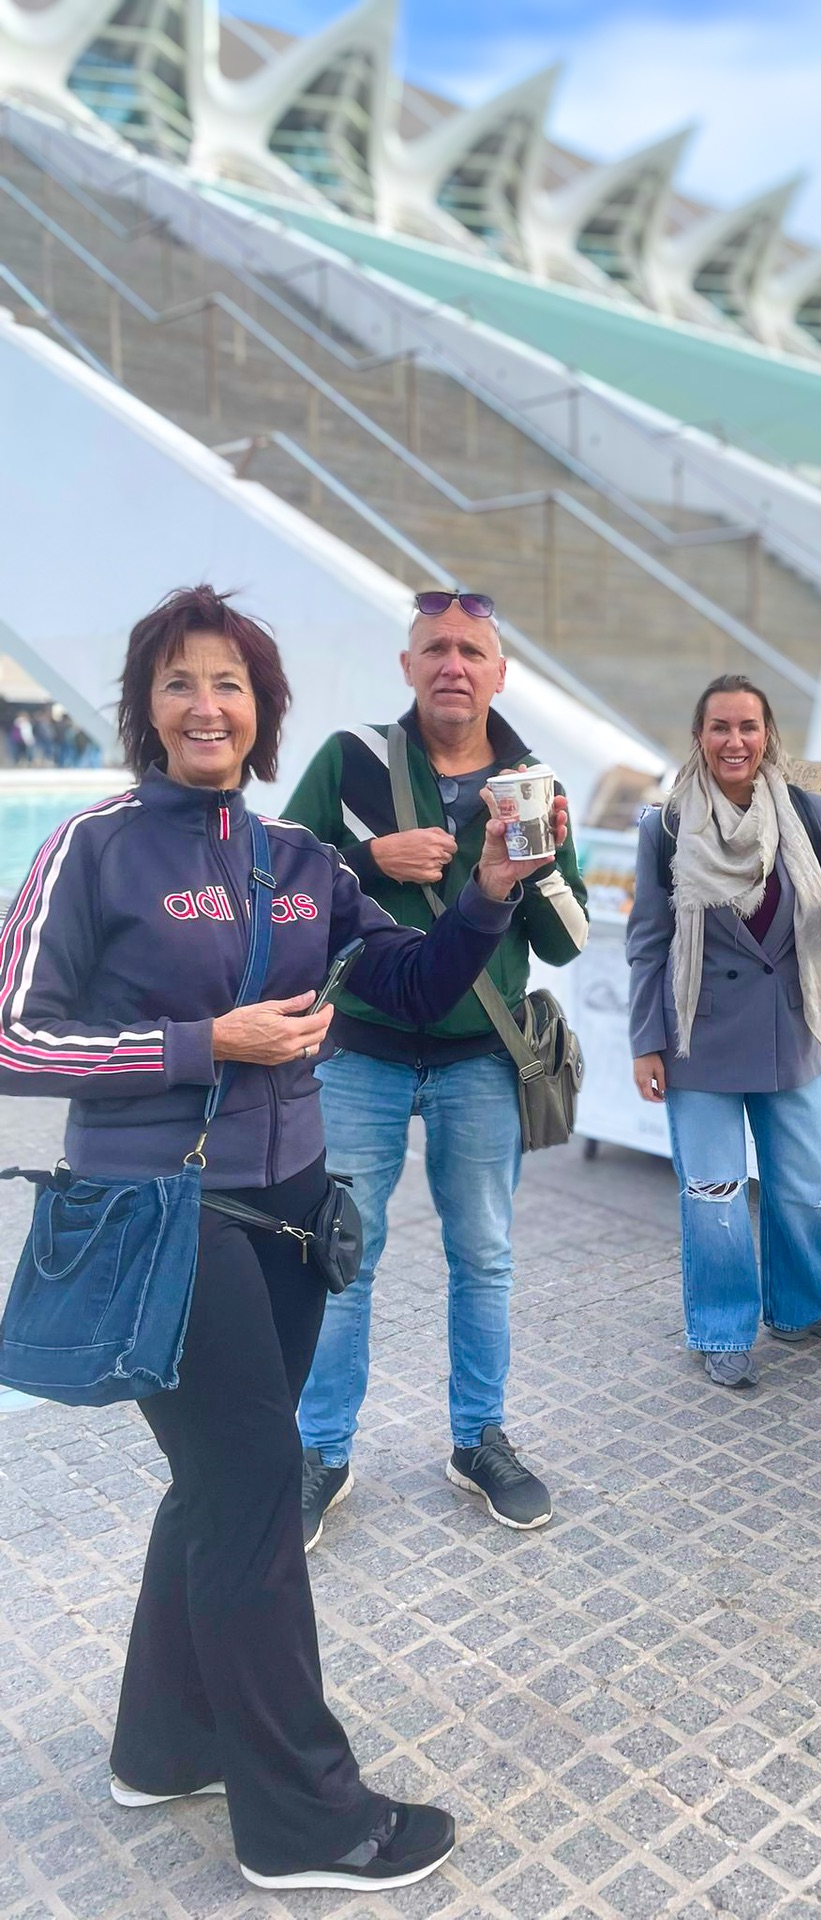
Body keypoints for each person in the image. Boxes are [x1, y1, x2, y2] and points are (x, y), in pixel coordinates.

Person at [0, 586, 565, 1890]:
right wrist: (206, 1044)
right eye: (182, 683)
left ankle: (162, 1744)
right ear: (147, 707)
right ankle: (310, 1823)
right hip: (164, 1214)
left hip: (299, 1218)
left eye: (233, 687)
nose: (209, 706)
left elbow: (415, 988)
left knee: (216, 1488)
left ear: (264, 716)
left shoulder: (303, 865)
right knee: (254, 1491)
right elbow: (17, 1036)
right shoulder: (93, 849)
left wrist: (485, 893)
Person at [284, 588, 588, 1548]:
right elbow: (281, 878)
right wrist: (373, 856)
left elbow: (568, 944)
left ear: (500, 675)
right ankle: (320, 1452)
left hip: (479, 1061)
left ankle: (478, 1440)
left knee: (484, 1259)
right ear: (408, 665)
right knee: (342, 1259)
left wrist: (544, 865)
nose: (454, 664)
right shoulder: (352, 759)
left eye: (473, 651)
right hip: (363, 1052)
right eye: (436, 649)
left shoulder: (531, 779)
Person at [627, 673, 821, 1388]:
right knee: (712, 1196)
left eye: (748, 726)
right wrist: (645, 1040)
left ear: (768, 732)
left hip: (789, 1028)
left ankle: (806, 1306)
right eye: (720, 728)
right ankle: (720, 1326)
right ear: (699, 737)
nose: (734, 741)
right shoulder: (668, 825)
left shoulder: (811, 813)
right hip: (699, 1038)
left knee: (802, 1185)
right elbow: (648, 942)